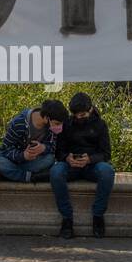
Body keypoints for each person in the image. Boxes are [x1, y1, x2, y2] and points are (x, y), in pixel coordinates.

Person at [49, 92, 115, 239]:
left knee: (108, 172)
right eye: (77, 115)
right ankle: (67, 219)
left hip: (92, 165)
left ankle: (98, 216)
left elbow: (106, 154)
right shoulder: (66, 124)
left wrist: (90, 159)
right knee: (55, 172)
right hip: (71, 165)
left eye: (83, 114)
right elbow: (59, 151)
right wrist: (67, 158)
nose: (80, 117)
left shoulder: (100, 124)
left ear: (90, 110)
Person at [0, 99, 68, 183]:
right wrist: (23, 155)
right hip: (13, 159)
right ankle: (26, 177)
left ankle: (4, 173)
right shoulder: (19, 123)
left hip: (32, 161)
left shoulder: (51, 128)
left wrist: (43, 148)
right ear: (46, 118)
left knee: (50, 159)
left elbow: (53, 147)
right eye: (57, 123)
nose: (59, 126)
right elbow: (6, 149)